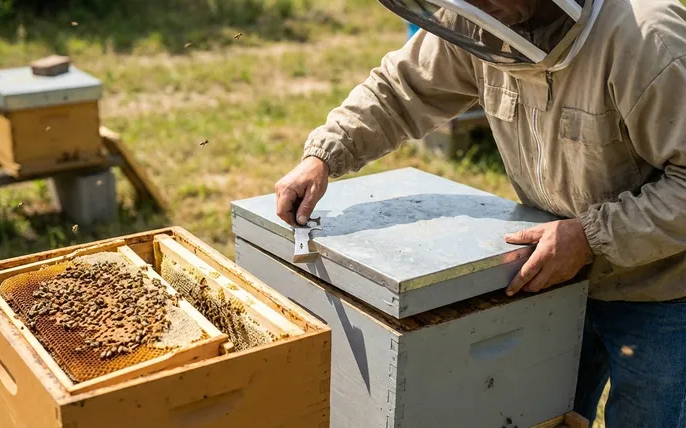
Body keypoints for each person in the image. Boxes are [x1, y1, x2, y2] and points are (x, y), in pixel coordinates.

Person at [274, 0, 686, 426]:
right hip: (554, 278)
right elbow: (401, 90)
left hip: (659, 292)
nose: (477, 9)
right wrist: (324, 155)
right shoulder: (484, 18)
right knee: (544, 415)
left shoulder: (649, 41)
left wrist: (589, 237)